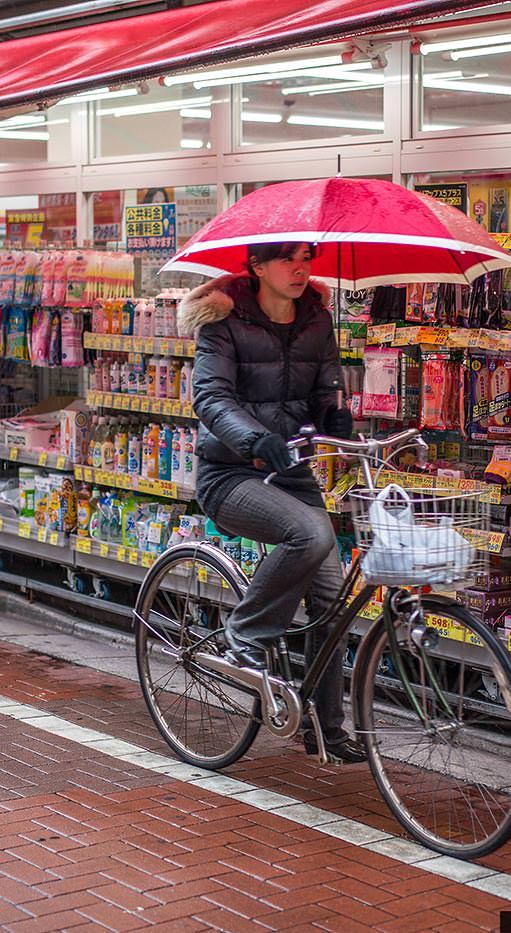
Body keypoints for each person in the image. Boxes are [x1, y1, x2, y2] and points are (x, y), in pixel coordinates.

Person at [177, 242, 366, 764]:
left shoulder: (317, 322)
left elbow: (324, 390)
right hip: (232, 473)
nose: (301, 267)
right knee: (312, 535)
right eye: (288, 259)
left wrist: (333, 419)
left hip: (293, 474)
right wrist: (252, 438)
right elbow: (211, 397)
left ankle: (327, 728)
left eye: (307, 256)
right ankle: (245, 635)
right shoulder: (223, 320)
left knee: (332, 603)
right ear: (256, 267)